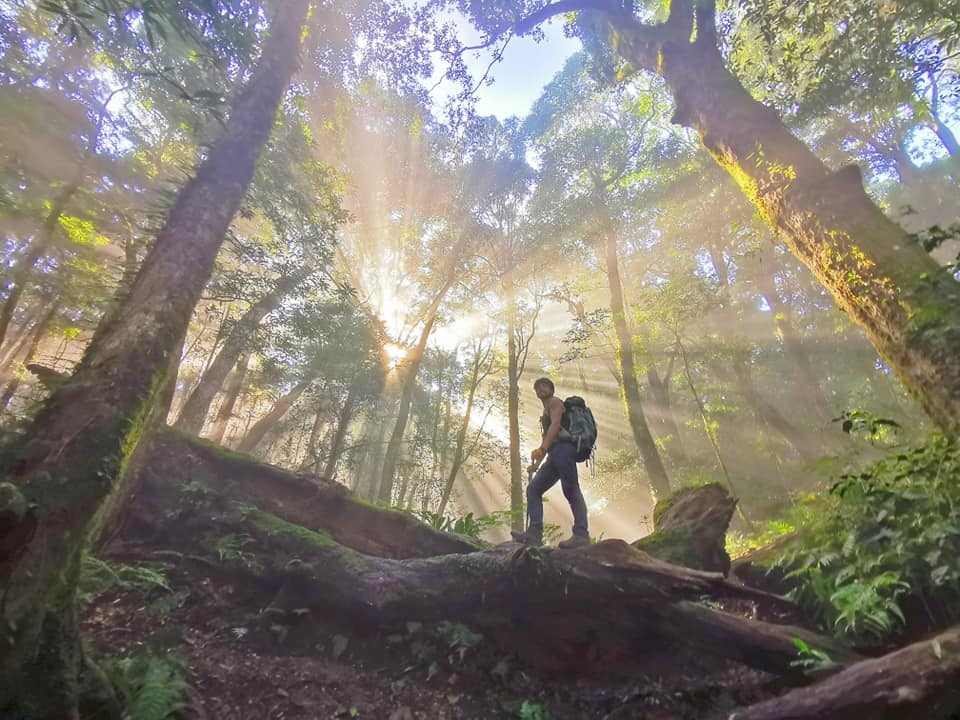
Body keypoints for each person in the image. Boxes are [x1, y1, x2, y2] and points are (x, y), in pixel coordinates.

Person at [511, 377, 590, 549]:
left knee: (571, 489)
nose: (541, 388)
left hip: (564, 450)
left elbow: (555, 427)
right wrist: (537, 464)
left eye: (544, 385)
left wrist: (542, 449)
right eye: (537, 387)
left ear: (552, 389)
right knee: (534, 489)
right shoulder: (545, 412)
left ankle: (581, 534)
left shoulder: (554, 403)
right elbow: (549, 439)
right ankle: (534, 534)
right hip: (554, 454)